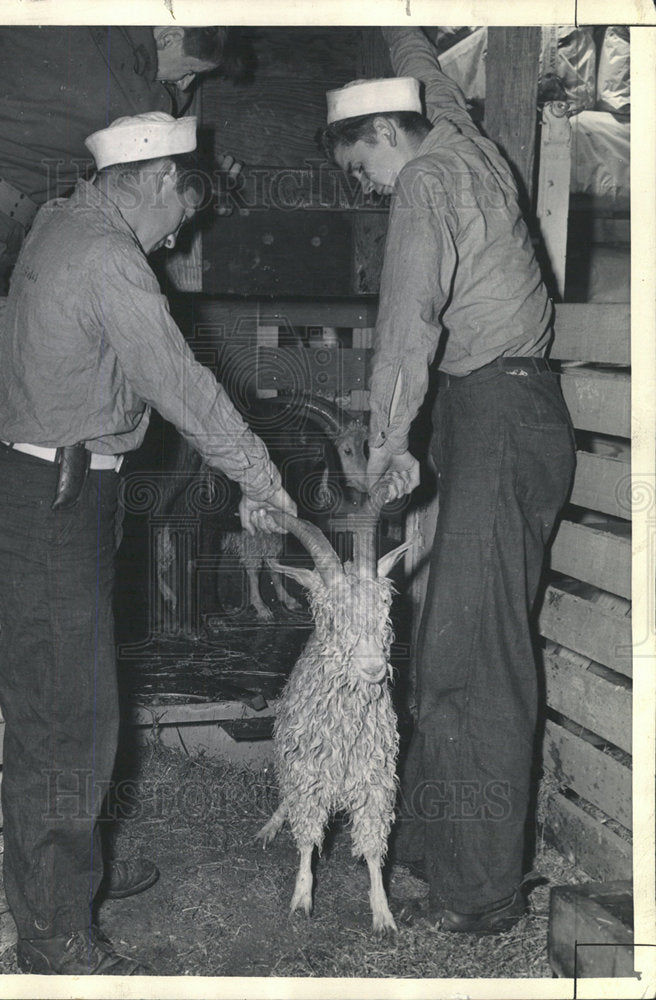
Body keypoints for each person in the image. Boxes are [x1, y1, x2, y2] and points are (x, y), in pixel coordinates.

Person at [0, 111, 296, 975]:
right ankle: (55, 935)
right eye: (181, 207)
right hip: (51, 505)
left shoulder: (58, 221)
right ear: (150, 180)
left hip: (47, 494)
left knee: (60, 713)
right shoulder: (109, 256)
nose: (179, 230)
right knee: (72, 727)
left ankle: (68, 886)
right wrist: (261, 476)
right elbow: (178, 380)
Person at [319, 28, 576, 934]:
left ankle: (483, 894)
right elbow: (428, 75)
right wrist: (397, 24)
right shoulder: (465, 141)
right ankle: (433, 849)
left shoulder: (427, 180)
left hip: (495, 417)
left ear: (390, 139)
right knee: (453, 644)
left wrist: (386, 447)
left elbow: (406, 323)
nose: (367, 188)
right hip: (507, 414)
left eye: (361, 169)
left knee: (475, 663)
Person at [0, 25, 248, 296]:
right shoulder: (144, 99)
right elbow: (166, 133)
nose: (184, 85)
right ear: (168, 37)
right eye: (189, 71)